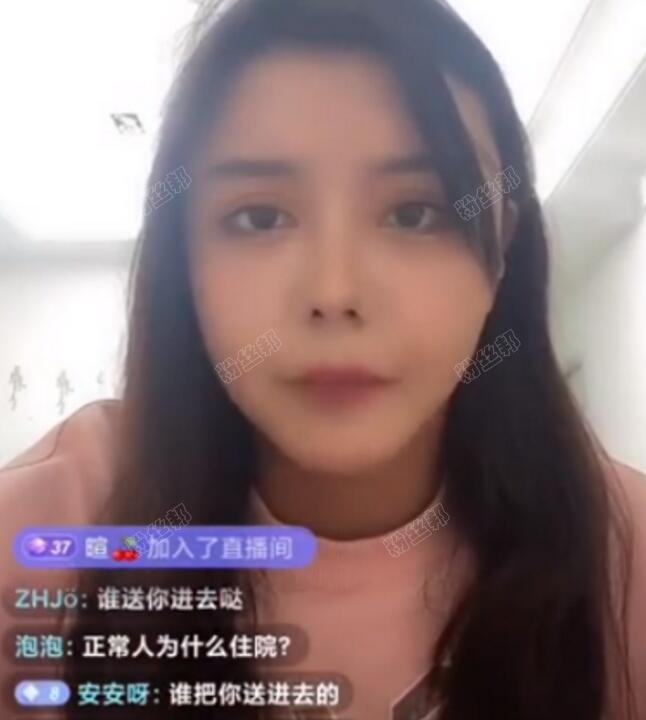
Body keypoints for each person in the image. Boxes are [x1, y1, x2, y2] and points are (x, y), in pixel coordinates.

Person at [1, 0, 645, 717]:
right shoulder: (50, 528)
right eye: (260, 217)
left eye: (414, 213)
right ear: (185, 259)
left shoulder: (622, 550)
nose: (334, 294)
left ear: (501, 254)